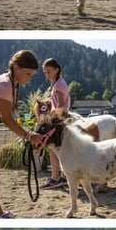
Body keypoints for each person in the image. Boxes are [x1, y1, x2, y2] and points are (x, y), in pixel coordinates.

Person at [0, 49, 44, 218]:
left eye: (31, 75)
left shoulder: (12, 83)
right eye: (27, 74)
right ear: (16, 68)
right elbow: (7, 119)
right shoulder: (5, 84)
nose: (29, 78)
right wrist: (28, 135)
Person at [40, 58, 71, 189]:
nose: (47, 75)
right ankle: (63, 176)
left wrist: (52, 120)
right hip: (62, 118)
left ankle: (55, 177)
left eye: (49, 71)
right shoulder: (58, 82)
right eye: (45, 72)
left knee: (52, 148)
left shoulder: (58, 85)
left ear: (56, 69)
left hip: (58, 119)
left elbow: (61, 105)